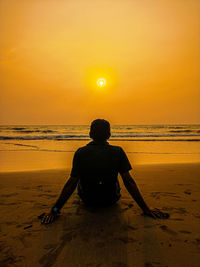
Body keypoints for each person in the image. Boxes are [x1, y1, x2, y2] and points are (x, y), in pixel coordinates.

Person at [40, 119, 169, 224]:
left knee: (78, 180)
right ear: (109, 135)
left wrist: (54, 210)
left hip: (87, 199)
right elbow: (128, 181)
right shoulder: (118, 151)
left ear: (90, 134)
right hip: (111, 199)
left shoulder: (81, 152)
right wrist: (146, 209)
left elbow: (71, 184)